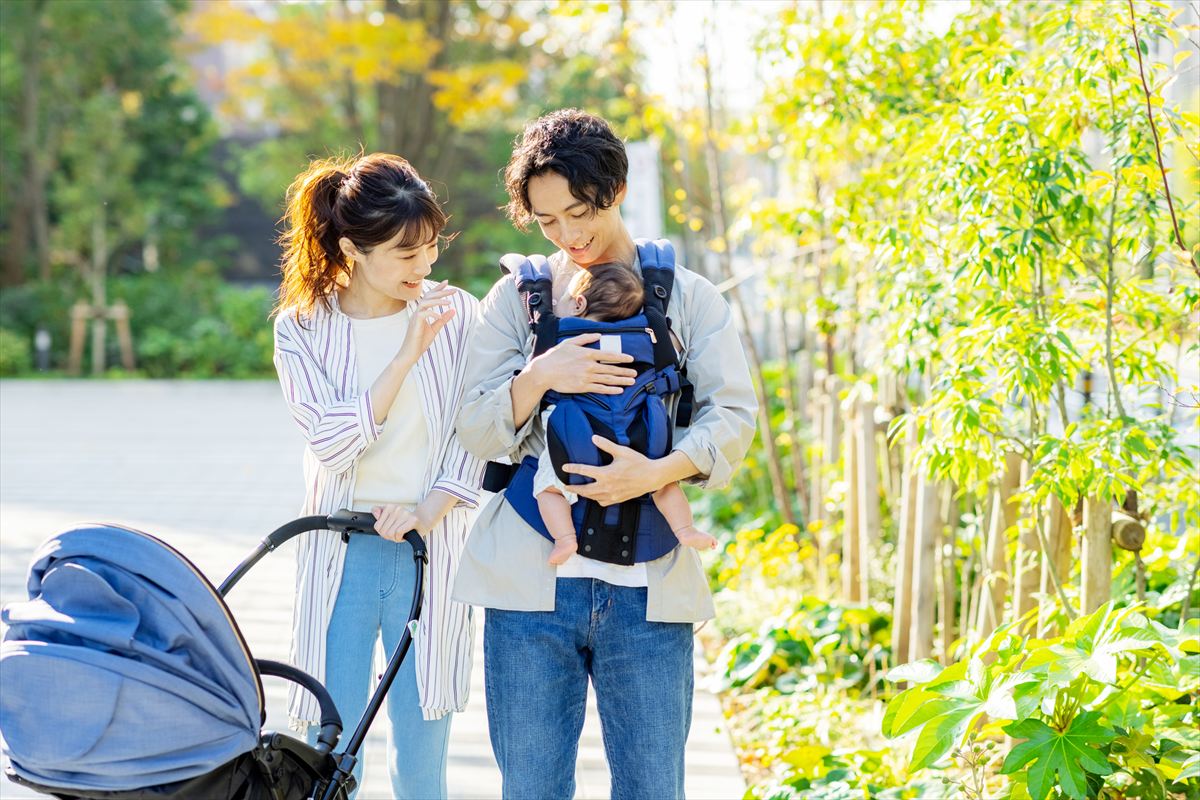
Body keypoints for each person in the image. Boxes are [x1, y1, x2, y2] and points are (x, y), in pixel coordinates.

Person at [453, 109, 757, 799]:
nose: (567, 234)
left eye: (579, 212)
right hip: (530, 588)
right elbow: (474, 428)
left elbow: (734, 415)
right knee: (531, 790)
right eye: (547, 220)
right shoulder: (519, 300)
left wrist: (657, 472)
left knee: (652, 788)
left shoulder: (685, 297)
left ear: (616, 189)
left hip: (649, 591)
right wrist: (540, 376)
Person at [271, 152, 483, 799]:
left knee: (421, 759)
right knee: (331, 755)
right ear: (352, 249)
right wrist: (404, 357)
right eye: (406, 253)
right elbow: (331, 445)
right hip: (341, 553)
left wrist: (428, 509)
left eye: (431, 247)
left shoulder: (457, 314)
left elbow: (476, 434)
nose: (426, 266)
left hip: (428, 547)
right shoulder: (303, 328)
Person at [534, 262, 718, 565]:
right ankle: (685, 530)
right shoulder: (644, 339)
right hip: (638, 437)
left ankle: (565, 539)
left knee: (548, 490)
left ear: (579, 303)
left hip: (578, 443)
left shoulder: (563, 339)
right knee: (664, 483)